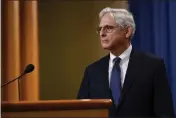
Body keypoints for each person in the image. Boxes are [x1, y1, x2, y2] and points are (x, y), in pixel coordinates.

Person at [77, 7, 175, 117]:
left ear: (127, 31)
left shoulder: (153, 66)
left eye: (108, 28)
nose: (102, 34)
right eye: (100, 29)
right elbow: (81, 112)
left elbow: (165, 113)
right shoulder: (92, 71)